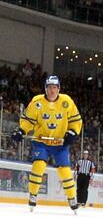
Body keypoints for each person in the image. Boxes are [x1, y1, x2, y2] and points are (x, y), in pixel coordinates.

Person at [13, 75, 82, 212]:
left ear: (59, 88)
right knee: (39, 165)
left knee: (65, 171)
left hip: (60, 143)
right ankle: (33, 195)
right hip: (41, 142)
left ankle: (72, 198)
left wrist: (73, 132)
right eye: (50, 87)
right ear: (45, 88)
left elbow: (75, 120)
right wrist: (21, 131)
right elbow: (28, 120)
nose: (52, 90)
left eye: (55, 87)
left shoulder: (66, 101)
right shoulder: (37, 102)